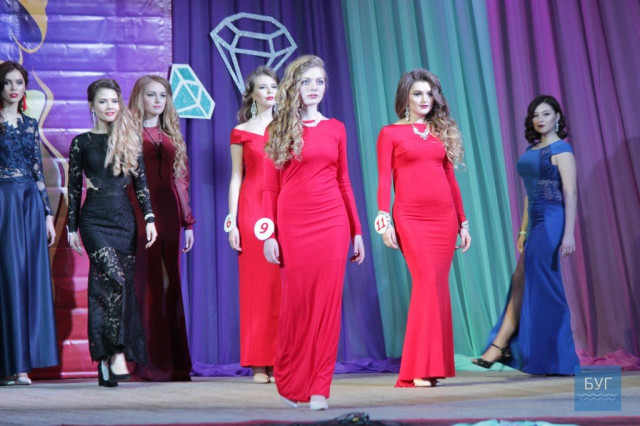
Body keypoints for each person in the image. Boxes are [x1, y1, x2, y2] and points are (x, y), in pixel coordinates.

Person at [263, 55, 365, 410]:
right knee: (297, 306)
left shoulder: (336, 128)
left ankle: (320, 387)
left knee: (327, 307)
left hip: (332, 223)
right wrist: (269, 234)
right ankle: (291, 381)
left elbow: (344, 180)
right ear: (294, 86)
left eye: (319, 82)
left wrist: (356, 230)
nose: (313, 88)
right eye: (306, 81)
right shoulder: (278, 129)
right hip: (292, 225)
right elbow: (269, 187)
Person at [376, 69, 471, 388]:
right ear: (405, 98)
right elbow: (383, 180)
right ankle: (418, 367)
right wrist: (384, 221)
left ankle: (432, 366)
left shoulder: (440, 131)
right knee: (426, 282)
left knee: (437, 287)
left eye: (430, 94)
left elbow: (450, 179)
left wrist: (463, 223)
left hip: (444, 218)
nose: (425, 99)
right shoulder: (390, 133)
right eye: (418, 93)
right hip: (411, 217)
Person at [472, 95, 578, 375]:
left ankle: (556, 355)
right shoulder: (533, 149)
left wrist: (569, 234)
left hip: (552, 220)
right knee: (519, 280)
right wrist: (522, 230)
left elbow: (570, 193)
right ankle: (500, 345)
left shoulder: (562, 149)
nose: (540, 119)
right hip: (534, 223)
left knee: (545, 285)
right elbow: (530, 195)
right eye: (536, 115)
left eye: (546, 114)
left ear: (557, 117)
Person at [67, 78, 158, 387]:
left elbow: (141, 184)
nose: (109, 106)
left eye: (114, 101)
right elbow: (74, 187)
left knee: (106, 288)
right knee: (115, 279)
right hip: (93, 221)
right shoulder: (80, 142)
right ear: (91, 106)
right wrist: (71, 227)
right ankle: (117, 351)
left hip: (124, 222)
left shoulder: (130, 138)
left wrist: (149, 218)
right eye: (103, 101)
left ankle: (104, 360)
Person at [128, 75, 195, 381]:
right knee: (147, 283)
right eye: (151, 95)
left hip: (168, 213)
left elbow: (180, 180)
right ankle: (149, 362)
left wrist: (187, 221)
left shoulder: (172, 135)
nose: (157, 101)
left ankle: (175, 363)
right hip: (138, 211)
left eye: (162, 95)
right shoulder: (127, 133)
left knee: (171, 285)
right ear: (139, 98)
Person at [0, 61, 58, 386]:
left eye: (19, 82)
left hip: (30, 206)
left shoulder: (30, 124)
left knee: (27, 279)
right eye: (7, 82)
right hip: (3, 204)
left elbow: (38, 171)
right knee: (8, 278)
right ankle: (9, 364)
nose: (13, 88)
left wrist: (48, 214)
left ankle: (22, 368)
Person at [228, 66, 281, 384]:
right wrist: (232, 222)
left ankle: (280, 359)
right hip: (251, 209)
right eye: (263, 87)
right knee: (256, 288)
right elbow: (236, 177)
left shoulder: (288, 127)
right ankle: (259, 363)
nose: (270, 92)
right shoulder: (240, 131)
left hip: (283, 208)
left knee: (280, 287)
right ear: (252, 94)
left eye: (274, 86)